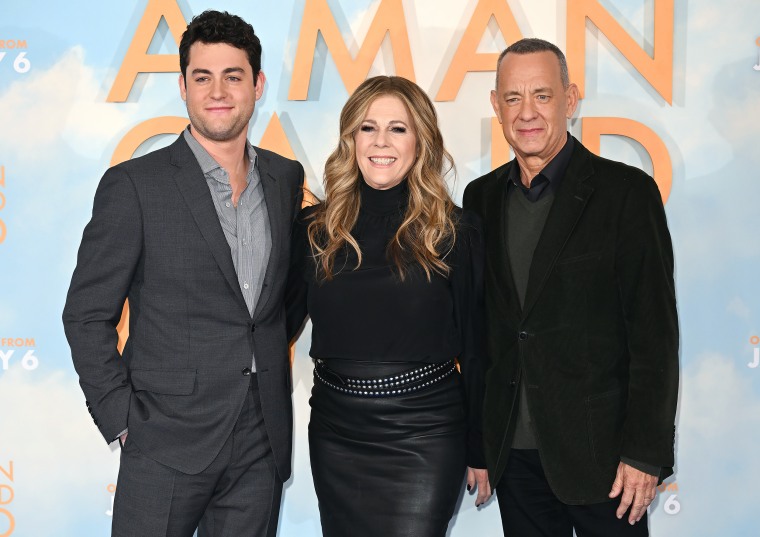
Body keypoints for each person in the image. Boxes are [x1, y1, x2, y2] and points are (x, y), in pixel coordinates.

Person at [62, 10, 303, 537]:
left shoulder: (285, 180)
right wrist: (123, 420)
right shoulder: (135, 186)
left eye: (233, 76)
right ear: (182, 86)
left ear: (258, 85)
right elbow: (85, 314)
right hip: (162, 443)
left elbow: (279, 304)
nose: (218, 91)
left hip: (259, 444)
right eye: (202, 76)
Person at [463, 38, 679, 536]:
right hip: (514, 460)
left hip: (607, 462)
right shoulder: (480, 199)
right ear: (496, 105)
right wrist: (479, 443)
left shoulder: (625, 193)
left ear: (571, 99)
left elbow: (654, 335)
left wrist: (645, 453)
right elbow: (482, 336)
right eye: (513, 98)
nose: (527, 112)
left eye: (542, 94)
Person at [286, 75, 490, 536]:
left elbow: (478, 349)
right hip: (336, 430)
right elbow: (276, 325)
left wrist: (480, 447)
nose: (381, 142)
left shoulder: (455, 232)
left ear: (420, 141)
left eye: (397, 128)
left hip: (426, 433)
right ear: (350, 138)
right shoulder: (315, 229)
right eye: (367, 127)